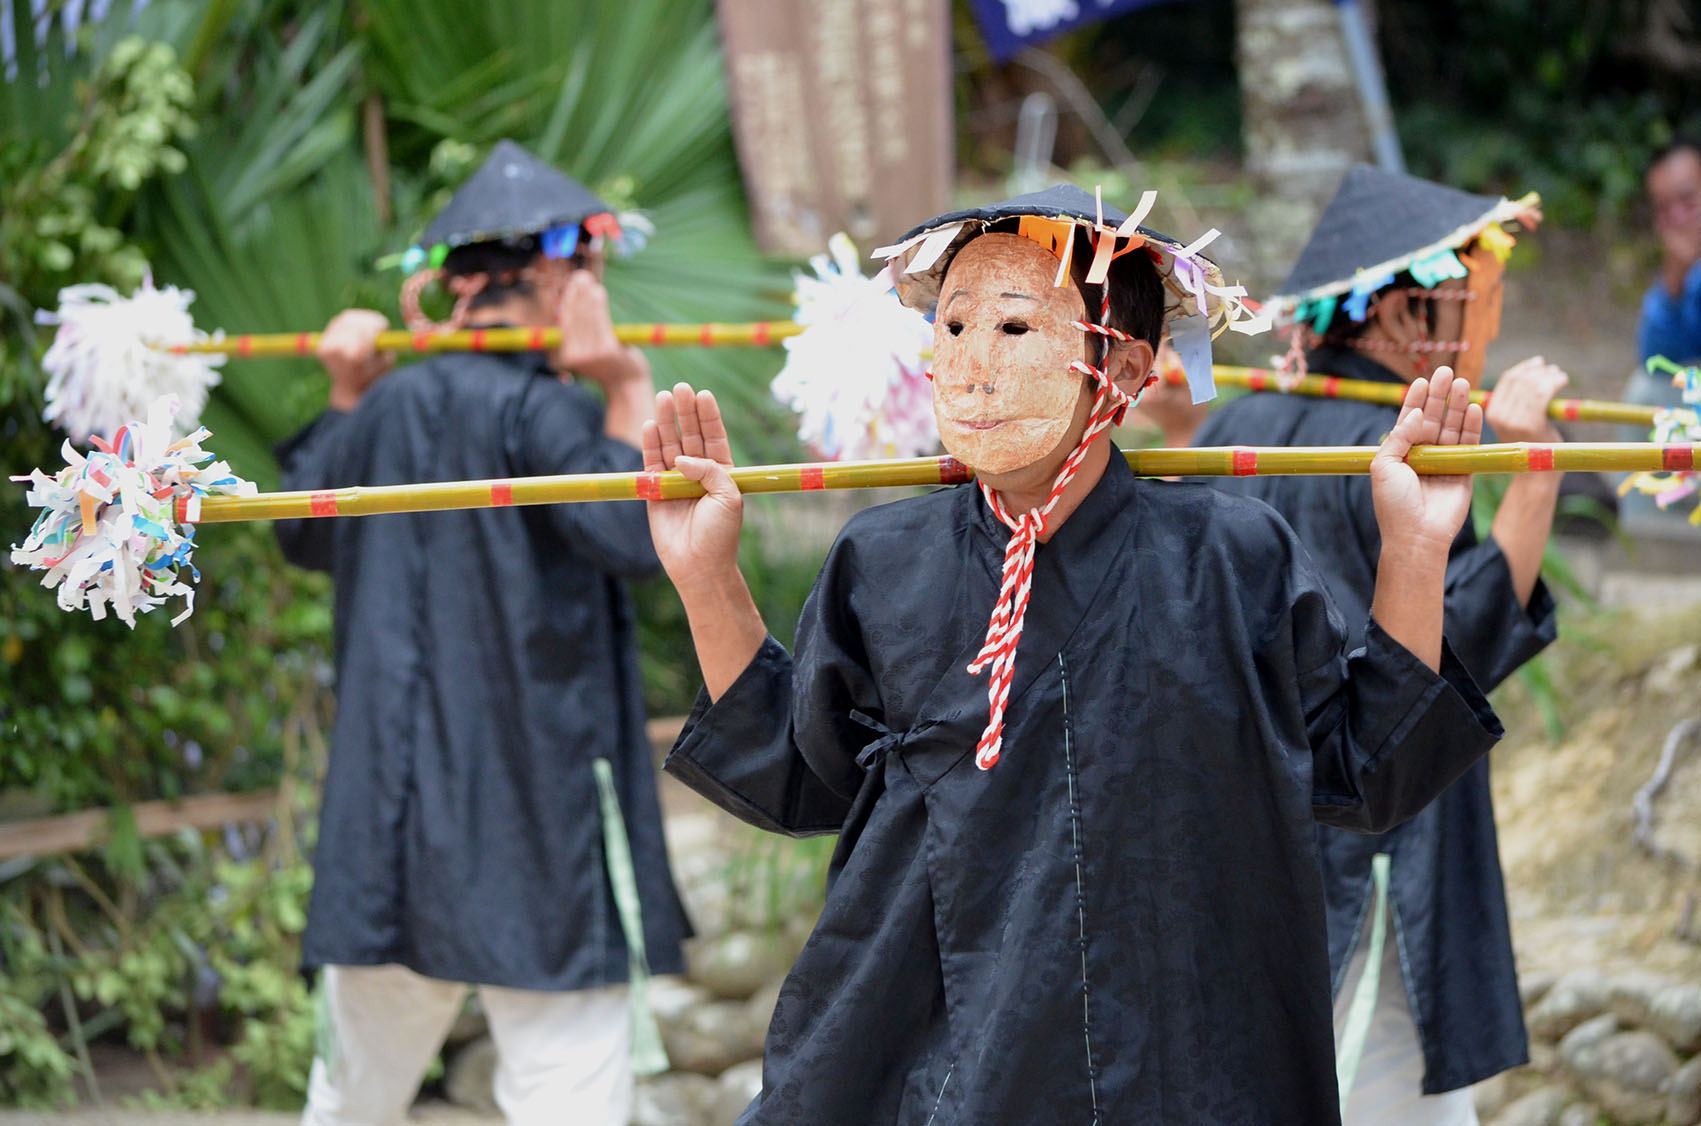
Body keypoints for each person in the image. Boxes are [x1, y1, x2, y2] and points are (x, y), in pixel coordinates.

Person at [642, 185, 1503, 1125]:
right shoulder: (883, 564)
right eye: (953, 325)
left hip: (1183, 1063)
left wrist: (1413, 552)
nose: (971, 365)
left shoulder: (1231, 558)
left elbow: (1367, 769)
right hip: (939, 1058)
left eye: (1013, 328)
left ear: (1123, 367)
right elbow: (797, 776)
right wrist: (706, 577)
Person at [275, 140, 688, 1126]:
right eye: (589, 274)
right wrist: (626, 387)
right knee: (569, 1100)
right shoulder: (543, 411)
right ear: (558, 279)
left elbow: (295, 525)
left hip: (390, 824)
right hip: (533, 825)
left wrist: (344, 390)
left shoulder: (380, 409)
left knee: (349, 1104)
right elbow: (636, 532)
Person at [1183, 165, 1563, 1124]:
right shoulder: (1404, 453)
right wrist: (1531, 480)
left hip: (1232, 832)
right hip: (1375, 837)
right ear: (1399, 321)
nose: (1484, 329)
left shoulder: (1232, 427)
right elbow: (1448, 660)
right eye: (1470, 306)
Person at [1639, 138, 1701, 366]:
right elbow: (1656, 361)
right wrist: (1673, 283)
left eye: (1688, 200)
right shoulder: (1690, 275)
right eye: (1664, 208)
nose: (1678, 218)